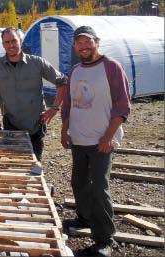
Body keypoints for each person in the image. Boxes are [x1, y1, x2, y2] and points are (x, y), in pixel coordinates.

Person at [60, 26, 131, 257]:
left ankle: (104, 240)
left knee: (99, 188)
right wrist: (64, 129)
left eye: (87, 42)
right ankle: (84, 218)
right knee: (78, 183)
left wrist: (108, 137)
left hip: (102, 140)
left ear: (96, 42)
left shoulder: (111, 67)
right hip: (78, 139)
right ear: (75, 47)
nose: (83, 46)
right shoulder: (75, 71)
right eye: (79, 43)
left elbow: (122, 106)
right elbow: (69, 104)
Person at [0, 27, 67, 161]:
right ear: (2, 45)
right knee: (15, 166)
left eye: (14, 41)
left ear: (21, 41)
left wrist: (55, 108)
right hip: (11, 127)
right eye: (7, 42)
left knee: (34, 167)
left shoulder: (37, 63)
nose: (11, 45)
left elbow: (62, 81)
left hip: (35, 126)